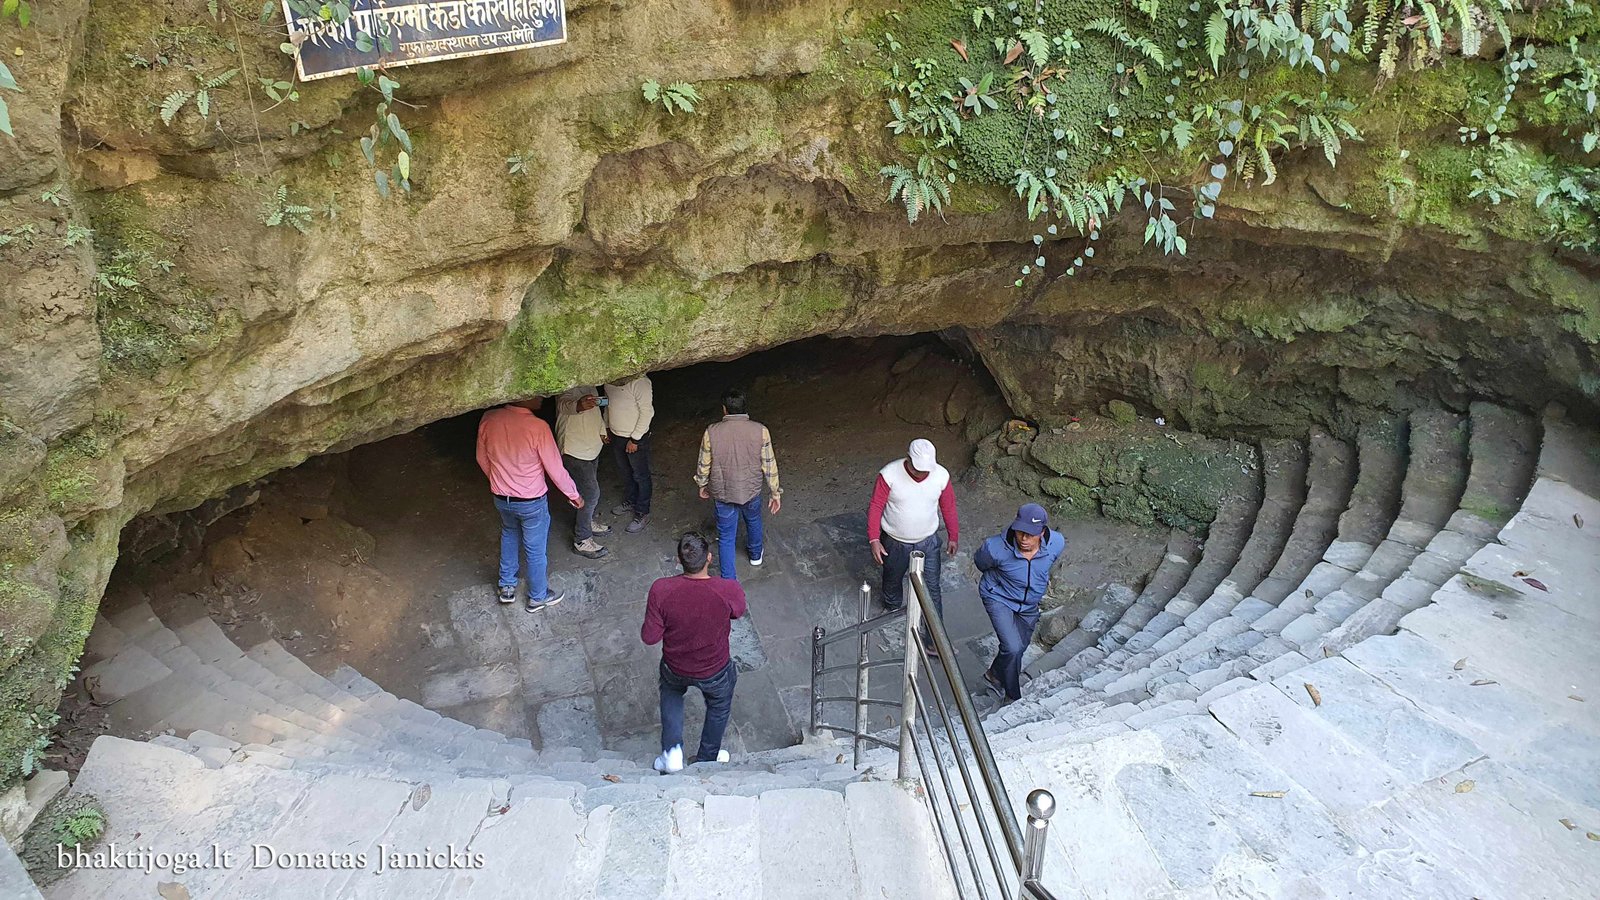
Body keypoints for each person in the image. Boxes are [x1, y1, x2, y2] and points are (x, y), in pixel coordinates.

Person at [641, 531, 747, 773]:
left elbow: (650, 637)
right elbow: (738, 611)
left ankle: (672, 752)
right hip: (715, 667)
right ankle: (707, 758)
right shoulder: (727, 589)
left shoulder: (661, 589)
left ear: (679, 561)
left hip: (675, 665)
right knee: (719, 707)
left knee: (671, 695)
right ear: (709, 558)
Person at [475, 398, 584, 611]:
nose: (542, 397)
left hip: (502, 498)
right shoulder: (538, 427)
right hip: (531, 501)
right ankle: (537, 596)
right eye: (536, 394)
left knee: (509, 534)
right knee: (535, 550)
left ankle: (507, 587)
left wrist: (498, 481)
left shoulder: (489, 418)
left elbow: (481, 457)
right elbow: (555, 468)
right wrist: (573, 494)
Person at [867, 438, 959, 652]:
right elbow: (876, 506)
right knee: (892, 577)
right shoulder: (888, 475)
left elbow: (949, 507)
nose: (922, 474)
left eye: (926, 470)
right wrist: (874, 539)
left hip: (928, 541)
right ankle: (892, 605)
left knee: (932, 589)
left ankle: (934, 642)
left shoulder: (941, 476)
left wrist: (953, 535)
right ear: (908, 459)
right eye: (918, 470)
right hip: (895, 540)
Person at [974, 503, 1068, 703]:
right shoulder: (995, 547)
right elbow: (981, 563)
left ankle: (993, 676)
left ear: (1042, 532)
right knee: (1013, 647)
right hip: (998, 597)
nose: (1024, 539)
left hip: (1029, 604)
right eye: (1020, 532)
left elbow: (1048, 563)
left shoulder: (1056, 543)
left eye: (1030, 534)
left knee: (1019, 647)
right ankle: (1012, 695)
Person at [694, 388, 782, 580]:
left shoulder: (712, 431)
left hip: (723, 492)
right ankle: (755, 555)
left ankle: (729, 579)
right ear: (744, 408)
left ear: (724, 409)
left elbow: (704, 463)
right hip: (751, 490)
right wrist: (775, 492)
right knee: (753, 520)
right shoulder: (761, 430)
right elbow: (769, 464)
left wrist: (702, 484)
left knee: (726, 536)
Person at [555, 385, 611, 559]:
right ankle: (582, 539)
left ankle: (587, 521)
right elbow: (563, 404)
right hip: (574, 450)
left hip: (592, 446)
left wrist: (602, 431)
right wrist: (579, 405)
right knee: (591, 493)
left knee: (587, 492)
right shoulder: (565, 386)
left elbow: (595, 412)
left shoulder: (590, 384)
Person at [605, 373, 655, 534]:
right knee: (626, 472)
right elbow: (608, 404)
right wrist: (605, 426)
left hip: (634, 437)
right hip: (616, 434)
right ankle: (631, 500)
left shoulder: (640, 382)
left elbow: (647, 412)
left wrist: (635, 439)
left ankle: (642, 512)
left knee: (641, 475)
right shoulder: (609, 380)